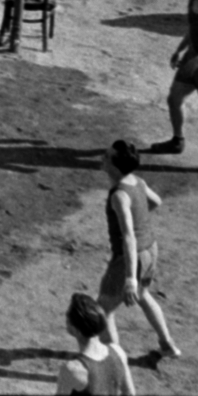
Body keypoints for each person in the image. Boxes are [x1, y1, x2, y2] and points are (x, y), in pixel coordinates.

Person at [96, 140, 181, 359]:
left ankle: (115, 362)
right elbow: (157, 202)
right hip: (151, 249)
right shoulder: (138, 181)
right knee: (144, 296)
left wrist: (129, 279)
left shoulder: (118, 195)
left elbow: (128, 237)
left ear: (115, 166)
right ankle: (167, 344)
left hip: (131, 256)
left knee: (103, 309)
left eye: (106, 156)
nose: (102, 158)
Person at [148, 0, 198, 155]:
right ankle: (178, 141)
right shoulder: (193, 1)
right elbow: (193, 30)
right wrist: (179, 50)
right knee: (174, 99)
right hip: (192, 58)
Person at [57, 292, 134, 395]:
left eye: (68, 317)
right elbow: (130, 393)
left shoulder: (72, 369)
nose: (66, 317)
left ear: (76, 331)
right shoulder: (118, 352)